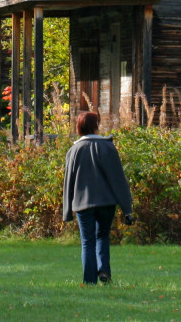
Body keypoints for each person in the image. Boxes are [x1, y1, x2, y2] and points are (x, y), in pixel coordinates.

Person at [61, 111, 133, 285]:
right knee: (102, 236)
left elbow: (68, 181)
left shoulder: (74, 150)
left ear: (79, 127)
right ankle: (104, 271)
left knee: (87, 241)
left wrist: (67, 211)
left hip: (82, 203)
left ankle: (89, 280)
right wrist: (127, 208)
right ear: (96, 125)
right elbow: (118, 179)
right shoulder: (108, 147)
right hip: (107, 202)